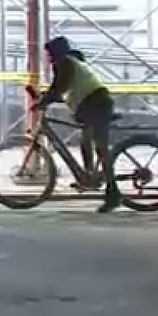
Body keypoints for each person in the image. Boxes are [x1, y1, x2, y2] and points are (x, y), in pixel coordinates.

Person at [41, 36, 120, 213]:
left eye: (49, 54)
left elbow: (59, 88)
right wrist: (46, 97)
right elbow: (60, 89)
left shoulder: (65, 63)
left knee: (100, 148)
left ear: (56, 52)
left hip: (96, 104)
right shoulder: (71, 62)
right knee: (85, 140)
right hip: (94, 103)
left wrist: (43, 101)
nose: (48, 57)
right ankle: (88, 176)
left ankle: (113, 194)